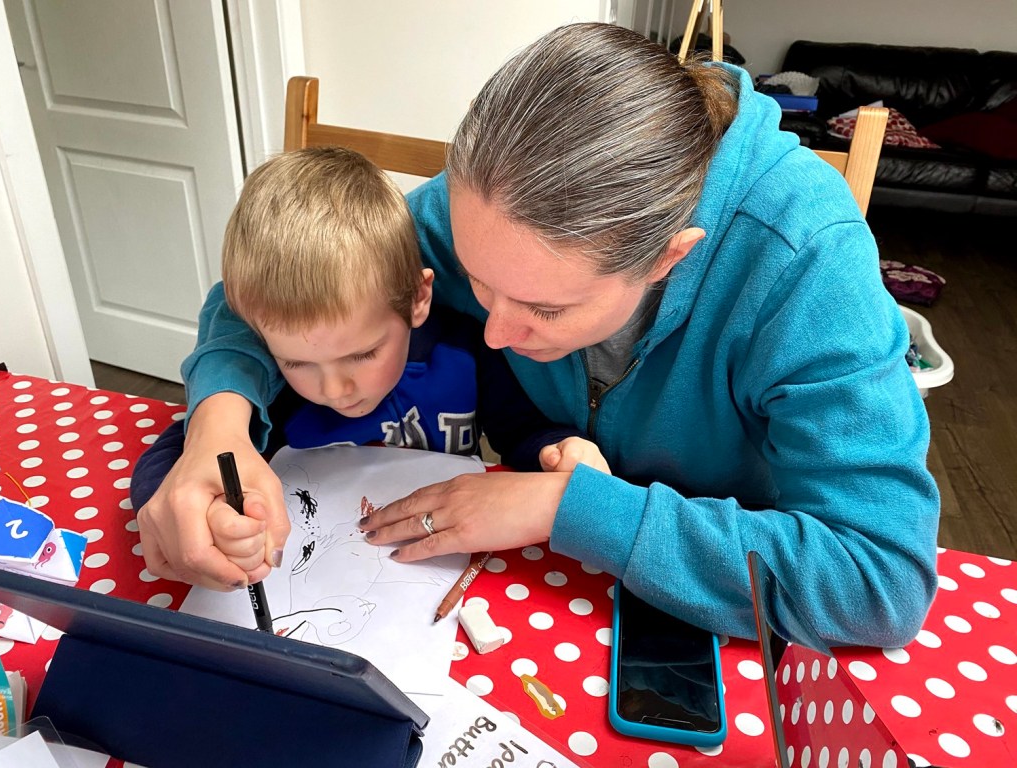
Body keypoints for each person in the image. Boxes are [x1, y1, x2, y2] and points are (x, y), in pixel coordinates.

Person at [137, 23, 939, 648]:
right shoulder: (486, 205)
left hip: (708, 613)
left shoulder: (806, 259)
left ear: (669, 256)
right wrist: (217, 428)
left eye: (544, 310)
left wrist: (567, 505)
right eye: (476, 280)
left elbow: (879, 581)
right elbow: (277, 289)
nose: (494, 332)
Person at [131, 146, 607, 574]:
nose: (334, 388)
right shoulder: (269, 385)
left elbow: (521, 431)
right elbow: (174, 461)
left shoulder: (468, 348)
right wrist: (205, 518)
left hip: (441, 565)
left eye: (362, 354)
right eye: (297, 363)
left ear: (419, 298)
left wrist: (556, 450)